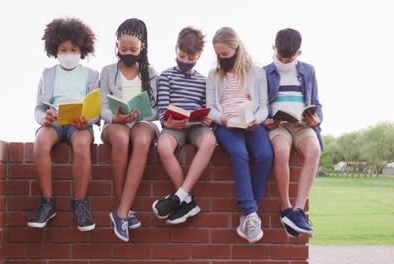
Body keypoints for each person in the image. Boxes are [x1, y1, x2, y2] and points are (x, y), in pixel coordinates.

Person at [28, 18, 99, 231]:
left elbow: (95, 109)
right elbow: (39, 108)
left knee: (81, 145)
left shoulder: (92, 75)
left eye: (73, 49)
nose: (68, 54)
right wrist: (44, 119)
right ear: (54, 49)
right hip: (55, 121)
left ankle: (80, 203)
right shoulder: (48, 74)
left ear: (82, 49)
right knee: (41, 141)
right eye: (63, 49)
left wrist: (88, 120)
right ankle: (47, 202)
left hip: (79, 124)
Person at [206, 27, 273, 243]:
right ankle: (251, 214)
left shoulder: (257, 72)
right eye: (218, 54)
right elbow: (210, 108)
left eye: (225, 54)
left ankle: (247, 216)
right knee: (239, 154)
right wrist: (223, 120)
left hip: (251, 123)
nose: (221, 58)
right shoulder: (213, 75)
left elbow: (263, 107)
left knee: (265, 155)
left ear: (236, 49)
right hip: (226, 125)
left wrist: (257, 120)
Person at [100, 18, 159, 242]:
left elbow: (155, 109)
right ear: (117, 46)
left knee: (143, 140)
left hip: (142, 121)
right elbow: (102, 106)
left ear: (142, 47)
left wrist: (138, 115)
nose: (127, 52)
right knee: (122, 139)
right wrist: (117, 118)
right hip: (115, 123)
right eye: (123, 48)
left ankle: (121, 212)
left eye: (132, 49)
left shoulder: (151, 72)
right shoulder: (107, 71)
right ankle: (123, 207)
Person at [152, 27, 216, 224]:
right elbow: (162, 110)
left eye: (191, 58)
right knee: (163, 146)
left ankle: (180, 197)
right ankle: (187, 201)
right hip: (173, 127)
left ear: (199, 56)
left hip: (196, 126)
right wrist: (167, 122)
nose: (186, 61)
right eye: (182, 55)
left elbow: (208, 109)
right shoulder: (166, 76)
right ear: (176, 49)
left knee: (210, 141)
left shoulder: (203, 81)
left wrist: (207, 119)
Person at [263, 28, 323, 237]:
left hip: (303, 124)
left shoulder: (309, 70)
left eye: (289, 59)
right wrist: (267, 119)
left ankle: (298, 211)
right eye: (280, 58)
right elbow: (260, 106)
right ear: (273, 49)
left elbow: (316, 103)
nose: (284, 62)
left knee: (314, 151)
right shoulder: (264, 72)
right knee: (281, 151)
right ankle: (285, 208)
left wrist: (317, 119)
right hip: (278, 125)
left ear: (299, 53)